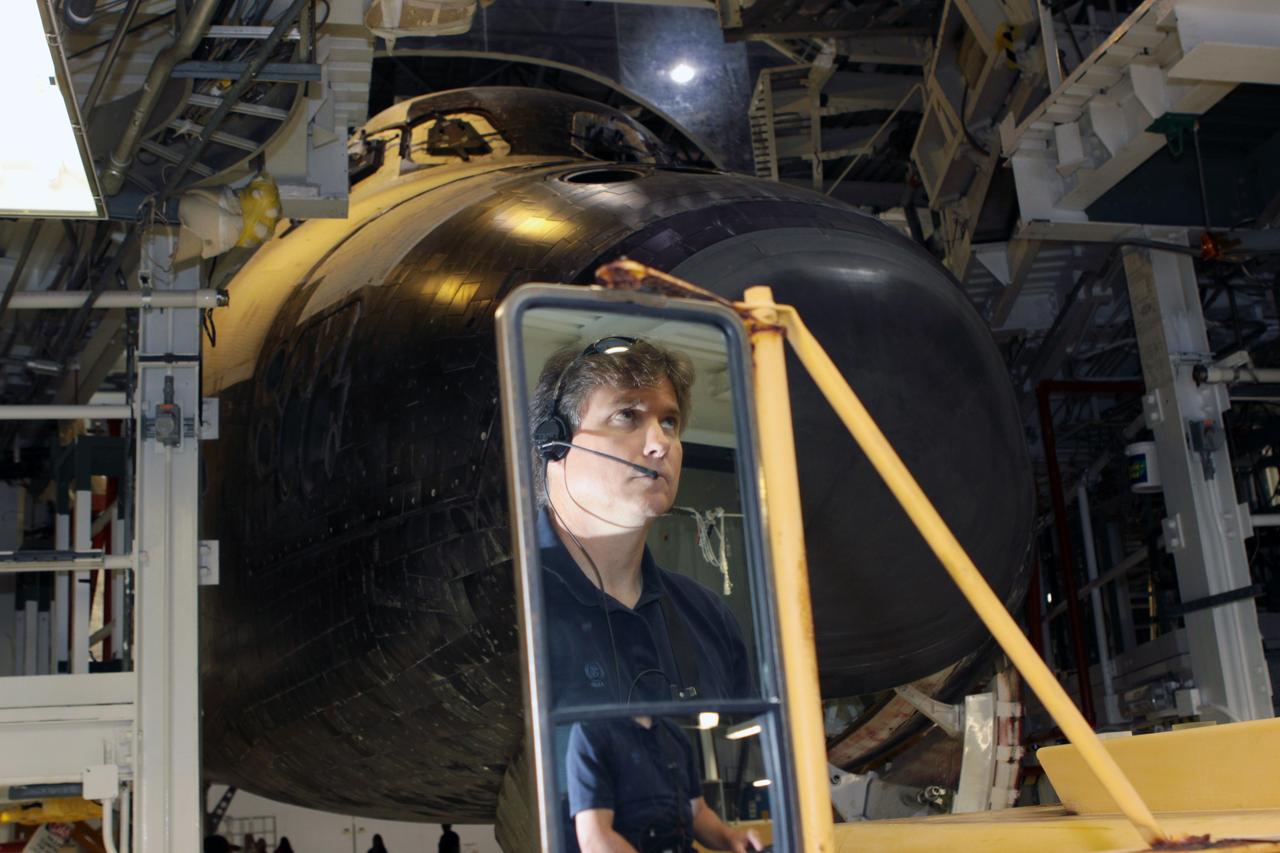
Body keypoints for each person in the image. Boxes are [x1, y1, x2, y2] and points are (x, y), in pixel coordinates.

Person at [529, 337, 753, 709]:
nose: (659, 443)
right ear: (554, 442)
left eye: (669, 422)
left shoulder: (708, 617)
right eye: (627, 415)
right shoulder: (505, 606)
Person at [567, 716, 763, 853]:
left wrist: (730, 837)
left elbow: (698, 813)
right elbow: (595, 839)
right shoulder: (591, 731)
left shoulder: (675, 735)